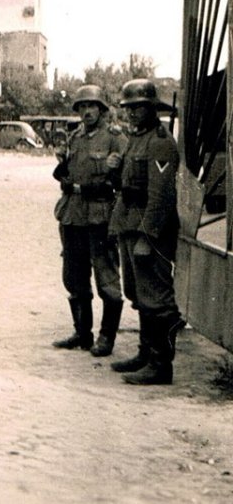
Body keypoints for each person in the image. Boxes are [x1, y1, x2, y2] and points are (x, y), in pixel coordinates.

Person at [108, 79, 185, 385]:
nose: (132, 113)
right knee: (138, 294)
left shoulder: (161, 141)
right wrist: (115, 167)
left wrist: (147, 236)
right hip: (129, 223)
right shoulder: (135, 140)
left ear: (152, 108)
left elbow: (162, 196)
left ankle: (160, 364)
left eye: (138, 107)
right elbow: (126, 185)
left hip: (149, 231)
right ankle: (145, 352)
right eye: (128, 108)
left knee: (158, 298)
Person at [50, 85, 126, 356]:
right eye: (81, 107)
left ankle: (106, 338)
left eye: (91, 106)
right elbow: (67, 173)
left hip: (100, 216)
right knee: (73, 275)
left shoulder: (115, 138)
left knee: (106, 276)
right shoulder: (75, 138)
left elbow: (124, 181)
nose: (86, 112)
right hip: (72, 215)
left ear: (102, 110)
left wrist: (115, 173)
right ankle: (82, 334)